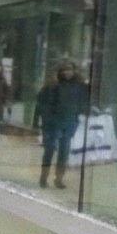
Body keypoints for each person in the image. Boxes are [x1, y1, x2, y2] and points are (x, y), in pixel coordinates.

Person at [34, 58, 87, 190]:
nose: (67, 73)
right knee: (50, 149)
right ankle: (44, 177)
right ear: (60, 72)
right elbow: (41, 104)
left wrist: (80, 114)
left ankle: (59, 178)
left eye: (70, 70)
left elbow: (83, 102)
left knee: (64, 152)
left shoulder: (79, 86)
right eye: (65, 70)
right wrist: (41, 120)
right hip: (53, 123)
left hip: (69, 123)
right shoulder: (52, 86)